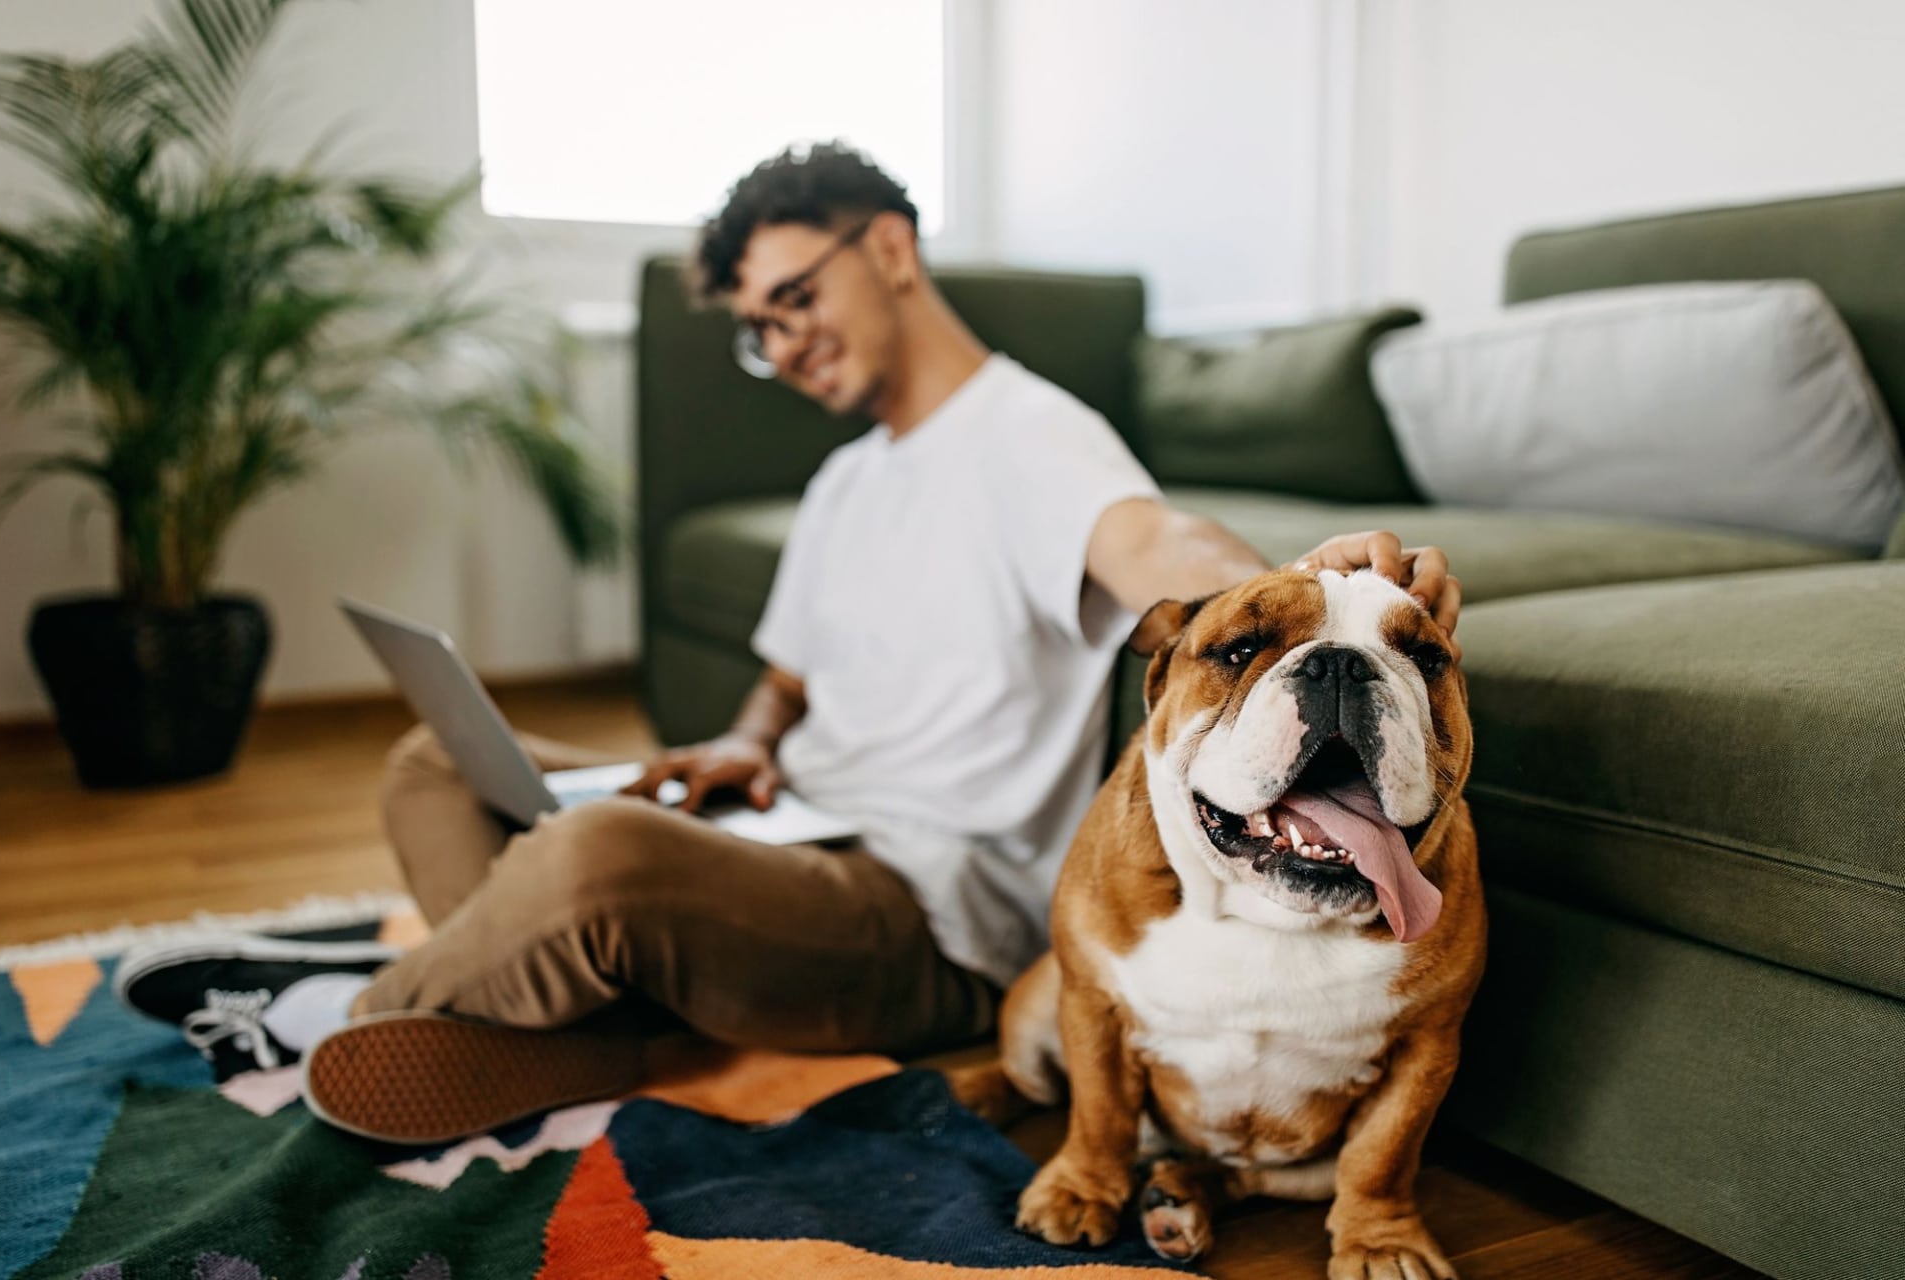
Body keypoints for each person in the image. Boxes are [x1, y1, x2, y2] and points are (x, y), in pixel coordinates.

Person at [115, 142, 1462, 1144]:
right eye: (756, 330)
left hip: (929, 914)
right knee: (432, 763)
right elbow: (785, 685)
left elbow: (1164, 556)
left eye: (790, 297)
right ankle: (592, 1038)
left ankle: (336, 1015)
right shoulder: (846, 482)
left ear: (888, 248)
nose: (781, 342)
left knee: (592, 854)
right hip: (800, 836)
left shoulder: (1033, 433)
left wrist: (1294, 591)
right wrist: (740, 751)